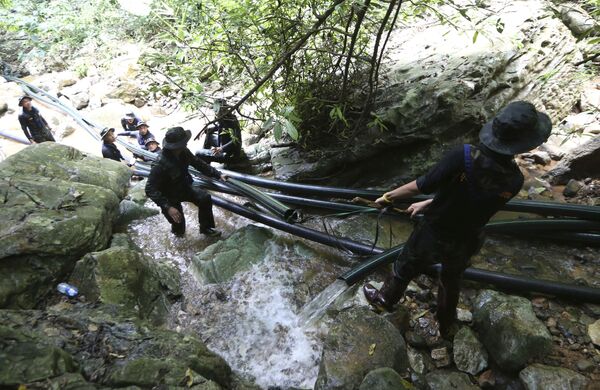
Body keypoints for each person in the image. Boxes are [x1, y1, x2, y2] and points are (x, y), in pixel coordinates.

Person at [363, 101, 552, 338]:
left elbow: (422, 185)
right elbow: (473, 203)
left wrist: (388, 197)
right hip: (467, 238)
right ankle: (445, 323)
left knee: (405, 266)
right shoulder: (514, 181)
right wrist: (428, 203)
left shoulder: (462, 156)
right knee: (451, 279)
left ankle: (384, 300)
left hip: (434, 230)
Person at [145, 126, 226, 237]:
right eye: (184, 142)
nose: (186, 144)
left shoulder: (184, 152)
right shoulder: (160, 164)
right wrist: (168, 207)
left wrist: (218, 174)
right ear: (175, 146)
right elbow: (150, 189)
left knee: (204, 198)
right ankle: (178, 237)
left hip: (183, 187)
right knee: (179, 225)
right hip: (168, 196)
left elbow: (198, 163)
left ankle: (206, 228)